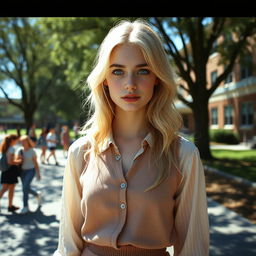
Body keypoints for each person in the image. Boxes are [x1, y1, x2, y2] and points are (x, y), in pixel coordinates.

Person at [53, 19, 209, 256]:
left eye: (143, 71)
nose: (130, 84)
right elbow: (67, 247)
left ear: (157, 77)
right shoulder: (80, 152)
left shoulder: (183, 155)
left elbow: (193, 249)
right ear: (104, 78)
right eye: (118, 71)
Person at [17, 135, 42, 214]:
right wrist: (19, 158)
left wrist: (38, 173)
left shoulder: (32, 151)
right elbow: (17, 161)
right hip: (22, 172)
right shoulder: (20, 150)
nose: (23, 143)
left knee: (24, 188)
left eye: (24, 141)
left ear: (28, 142)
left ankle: (25, 207)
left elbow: (35, 163)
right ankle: (37, 194)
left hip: (31, 171)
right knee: (25, 188)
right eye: (22, 142)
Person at [0, 134, 22, 212]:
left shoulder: (5, 147)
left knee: (5, 188)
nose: (17, 141)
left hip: (5, 170)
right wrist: (19, 161)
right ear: (13, 140)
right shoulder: (11, 148)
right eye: (16, 140)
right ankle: (10, 205)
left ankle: (10, 205)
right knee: (9, 188)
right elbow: (10, 162)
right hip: (10, 170)